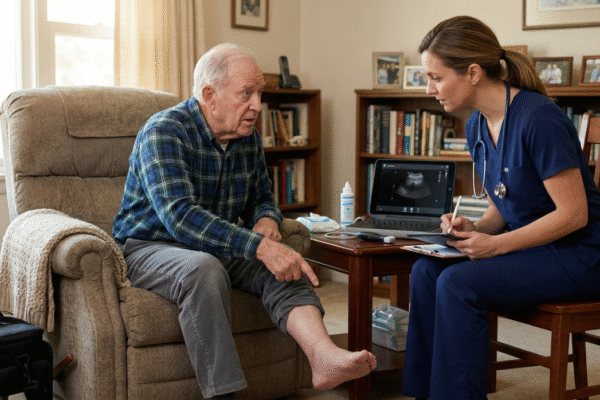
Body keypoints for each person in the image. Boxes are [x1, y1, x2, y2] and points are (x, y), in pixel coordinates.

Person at [113, 43, 376, 400]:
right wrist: (258, 246)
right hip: (150, 247)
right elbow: (180, 217)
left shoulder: (245, 136)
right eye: (246, 94)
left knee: (282, 262)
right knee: (202, 269)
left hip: (216, 243)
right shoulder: (164, 132)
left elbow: (261, 196)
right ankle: (224, 395)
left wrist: (267, 218)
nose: (257, 105)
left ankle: (323, 356)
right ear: (209, 94)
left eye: (259, 93)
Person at [402, 16, 600, 400]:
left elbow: (574, 215)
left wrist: (497, 246)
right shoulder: (476, 125)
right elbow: (501, 207)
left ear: (473, 72)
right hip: (532, 250)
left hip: (581, 255)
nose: (429, 89)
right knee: (426, 270)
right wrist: (475, 229)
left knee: (458, 284)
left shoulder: (537, 117)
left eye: (436, 77)